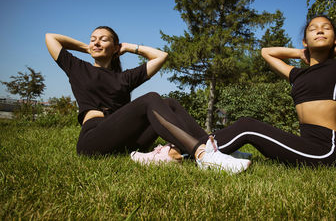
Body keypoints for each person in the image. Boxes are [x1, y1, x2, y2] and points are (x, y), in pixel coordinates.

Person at [151, 16, 336, 167]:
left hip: (325, 150)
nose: (320, 30)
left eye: (326, 28)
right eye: (313, 28)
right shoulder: (297, 73)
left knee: (247, 125)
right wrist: (300, 53)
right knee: (171, 103)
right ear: (305, 41)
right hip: (303, 143)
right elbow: (267, 52)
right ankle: (190, 148)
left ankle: (180, 154)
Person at [45, 26, 250, 173]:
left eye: (103, 39)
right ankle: (203, 156)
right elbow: (51, 37)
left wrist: (129, 47)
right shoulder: (78, 68)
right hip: (95, 139)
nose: (96, 42)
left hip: (127, 140)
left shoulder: (123, 78)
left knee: (168, 102)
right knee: (150, 98)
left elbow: (161, 56)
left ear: (115, 48)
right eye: (93, 38)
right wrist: (87, 48)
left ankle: (217, 148)